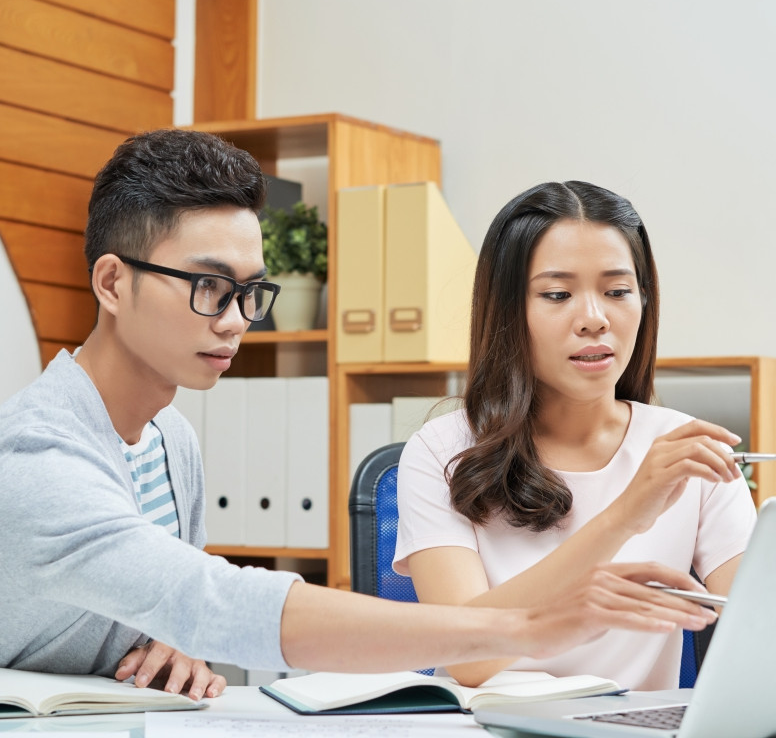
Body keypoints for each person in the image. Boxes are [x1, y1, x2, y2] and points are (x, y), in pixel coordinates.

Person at [0, 135, 719, 702]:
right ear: (112, 282)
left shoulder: (169, 438)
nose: (236, 321)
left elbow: (165, 605)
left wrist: (176, 642)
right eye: (210, 287)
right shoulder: (38, 458)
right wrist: (528, 624)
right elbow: (207, 597)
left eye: (252, 292)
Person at [393, 180, 758, 691]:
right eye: (558, 294)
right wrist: (627, 514)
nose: (594, 319)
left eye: (617, 291)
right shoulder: (441, 451)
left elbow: (760, 633)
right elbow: (468, 655)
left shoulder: (684, 448)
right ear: (507, 311)